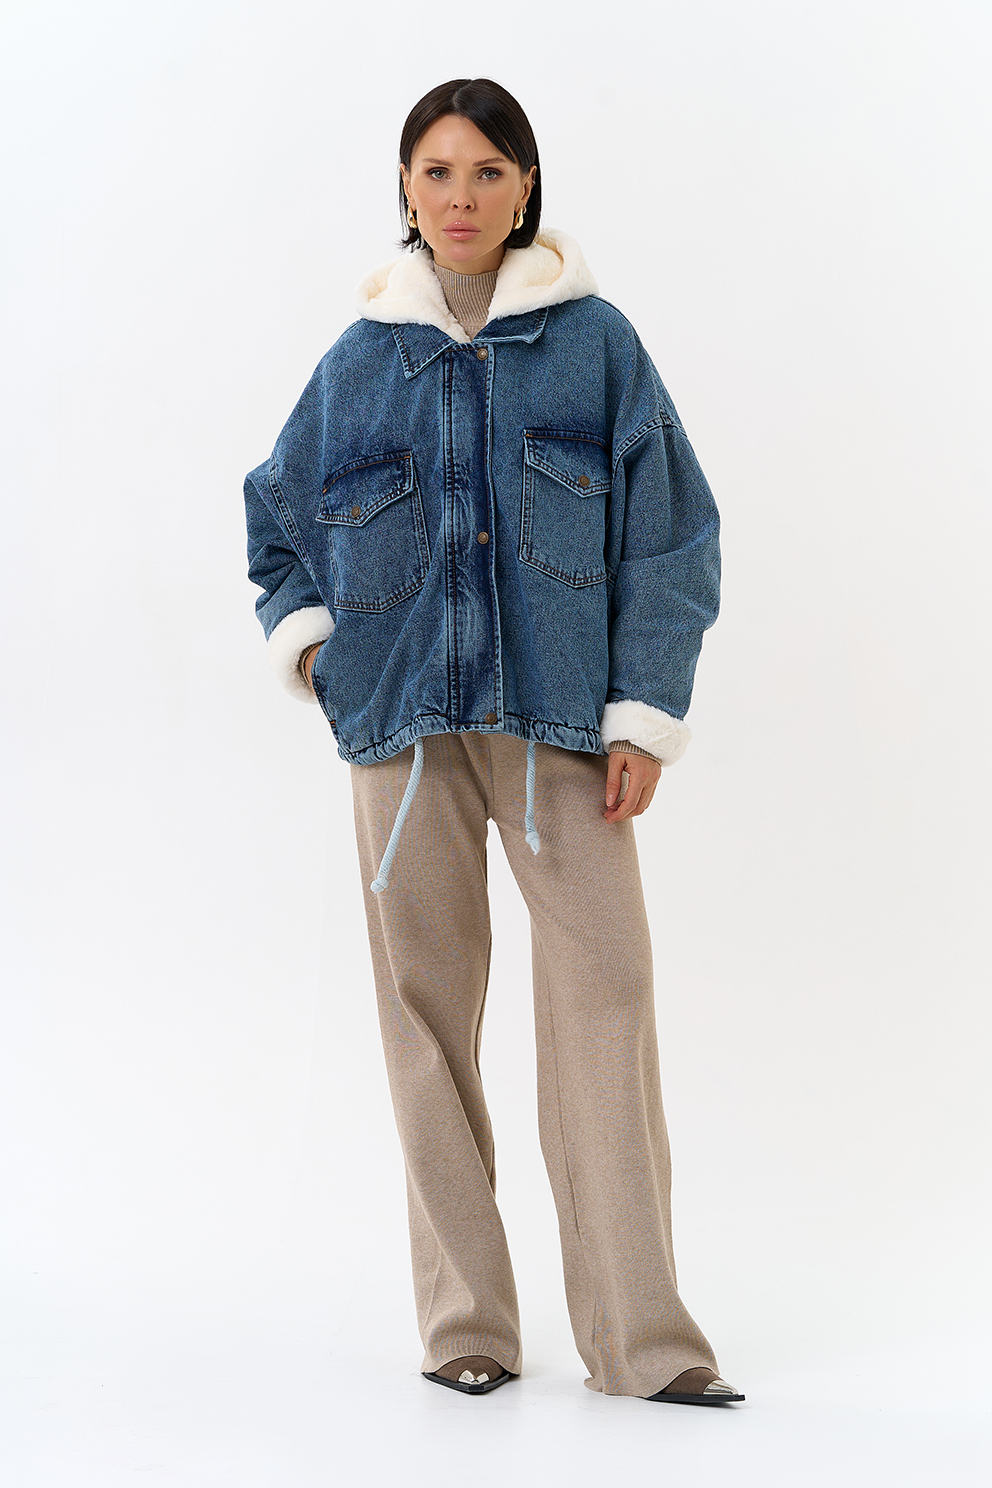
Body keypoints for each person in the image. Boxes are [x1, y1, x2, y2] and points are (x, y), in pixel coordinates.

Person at [243, 77, 743, 1406]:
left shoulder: (596, 345)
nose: (460, 197)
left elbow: (673, 535)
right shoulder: (360, 361)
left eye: (486, 171)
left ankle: (644, 1343)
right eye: (436, 172)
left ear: (526, 188)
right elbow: (276, 518)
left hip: (560, 731)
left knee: (606, 1001)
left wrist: (643, 711)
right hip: (399, 736)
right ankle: (467, 1323)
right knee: (423, 1019)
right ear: (405, 192)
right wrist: (317, 650)